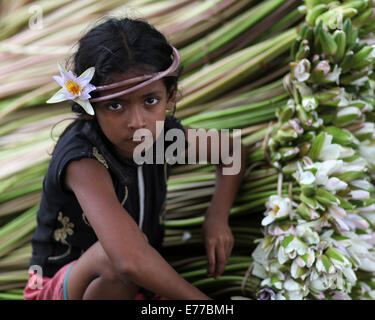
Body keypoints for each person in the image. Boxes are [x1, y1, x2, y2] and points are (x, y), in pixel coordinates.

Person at [23, 17, 247, 300]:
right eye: (115, 105)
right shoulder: (83, 159)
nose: (136, 121)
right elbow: (128, 260)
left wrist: (217, 217)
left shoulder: (163, 139)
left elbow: (232, 151)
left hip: (137, 287)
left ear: (171, 97)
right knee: (112, 260)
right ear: (91, 106)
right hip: (63, 290)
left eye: (150, 100)